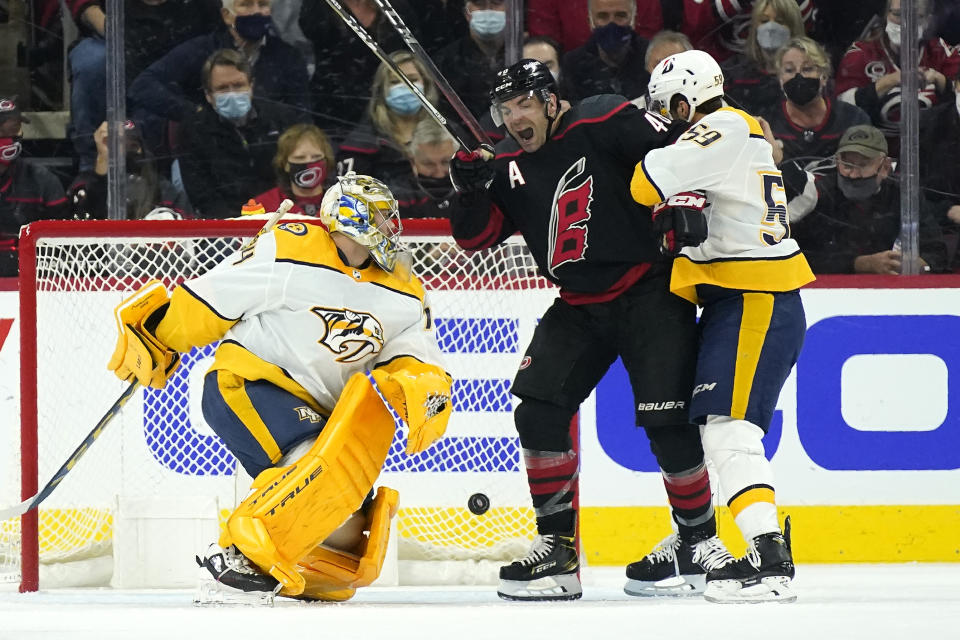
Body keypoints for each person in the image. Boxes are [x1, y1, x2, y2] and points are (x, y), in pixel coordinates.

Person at [449, 59, 734, 601]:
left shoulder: (603, 119)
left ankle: (697, 543)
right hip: (577, 303)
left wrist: (686, 200)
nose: (515, 119)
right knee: (537, 410)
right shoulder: (505, 160)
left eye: (524, 105)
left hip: (647, 289)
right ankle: (557, 554)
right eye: (506, 110)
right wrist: (466, 188)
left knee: (667, 423)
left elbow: (677, 151)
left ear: (552, 101)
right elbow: (475, 239)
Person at [107, 173, 452, 603]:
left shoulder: (403, 289)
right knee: (311, 464)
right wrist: (165, 333)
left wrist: (419, 383)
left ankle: (291, 562)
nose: (391, 228)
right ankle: (230, 560)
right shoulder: (293, 248)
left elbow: (411, 353)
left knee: (344, 517)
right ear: (350, 218)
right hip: (249, 383)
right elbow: (217, 296)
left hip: (320, 412)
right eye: (382, 218)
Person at [632, 49, 816, 603]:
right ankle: (701, 538)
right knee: (714, 428)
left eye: (668, 111)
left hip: (756, 297)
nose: (668, 121)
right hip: (736, 299)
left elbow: (645, 183)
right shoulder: (735, 132)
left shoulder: (719, 129)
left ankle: (768, 558)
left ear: (687, 101)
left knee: (730, 431)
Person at [791, 124, 947, 274]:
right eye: (847, 165)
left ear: (885, 167)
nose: (853, 175)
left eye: (863, 165)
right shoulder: (819, 195)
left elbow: (937, 252)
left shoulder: (903, 196)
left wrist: (919, 263)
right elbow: (798, 256)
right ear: (837, 161)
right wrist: (860, 264)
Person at [128, 0, 309, 128]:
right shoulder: (202, 49)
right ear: (226, 16)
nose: (256, 11)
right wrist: (196, 114)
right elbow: (143, 86)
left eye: (262, 4)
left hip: (267, 150)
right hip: (210, 149)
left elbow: (301, 116)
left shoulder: (288, 56)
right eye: (245, 4)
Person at [178, 49, 306, 218]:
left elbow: (299, 174)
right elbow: (202, 195)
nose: (232, 93)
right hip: (227, 225)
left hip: (282, 215)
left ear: (251, 86)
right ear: (208, 95)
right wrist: (235, 227)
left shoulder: (281, 118)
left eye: (238, 85)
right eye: (222, 88)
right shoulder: (194, 129)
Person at [835, 0, 960, 153]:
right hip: (872, 151)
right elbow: (841, 109)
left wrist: (940, 80)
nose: (905, 22)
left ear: (927, 20)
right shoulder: (861, 54)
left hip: (932, 150)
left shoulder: (939, 51)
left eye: (916, 16)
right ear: (886, 14)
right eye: (898, 14)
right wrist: (888, 81)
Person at [300, 0, 421, 131]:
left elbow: (413, 57)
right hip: (333, 111)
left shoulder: (396, 8)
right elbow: (308, 30)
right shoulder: (321, 7)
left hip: (391, 109)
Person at [337, 51, 441, 188]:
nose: (405, 87)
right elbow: (349, 199)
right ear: (382, 90)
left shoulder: (448, 134)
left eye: (412, 79)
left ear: (426, 85)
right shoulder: (362, 144)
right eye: (395, 82)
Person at [761, 37, 871, 166]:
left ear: (823, 76)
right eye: (789, 70)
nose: (798, 77)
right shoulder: (767, 125)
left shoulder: (853, 119)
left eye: (807, 69)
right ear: (780, 79)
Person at [0, 98, 69, 276]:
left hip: (28, 278)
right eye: (9, 129)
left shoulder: (42, 179)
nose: (16, 135)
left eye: (17, 129)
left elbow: (62, 243)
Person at [69, 120, 193, 220]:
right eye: (118, 145)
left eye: (133, 146)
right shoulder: (85, 185)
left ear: (144, 150)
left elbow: (189, 233)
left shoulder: (165, 190)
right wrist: (101, 169)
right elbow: (81, 219)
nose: (126, 153)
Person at [720, 0, 806, 117]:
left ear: (793, 27)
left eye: (779, 21)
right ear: (755, 27)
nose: (770, 27)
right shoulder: (731, 74)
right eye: (764, 21)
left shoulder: (810, 75)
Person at [562, 0, 651, 102]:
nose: (611, 23)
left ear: (634, 20)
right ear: (590, 22)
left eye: (620, 15)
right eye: (603, 16)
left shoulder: (651, 57)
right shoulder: (572, 66)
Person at [434, 0, 507, 118]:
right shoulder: (445, 61)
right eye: (479, 4)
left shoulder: (524, 53)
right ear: (466, 13)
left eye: (496, 2)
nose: (488, 10)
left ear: (510, 10)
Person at [254, 123, 335, 218]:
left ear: (326, 160)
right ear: (285, 164)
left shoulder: (345, 203)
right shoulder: (262, 206)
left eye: (316, 157)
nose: (309, 162)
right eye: (300, 158)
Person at [632, 30, 693, 110]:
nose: (665, 73)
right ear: (647, 67)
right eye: (658, 66)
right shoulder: (633, 110)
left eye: (673, 66)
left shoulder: (703, 112)